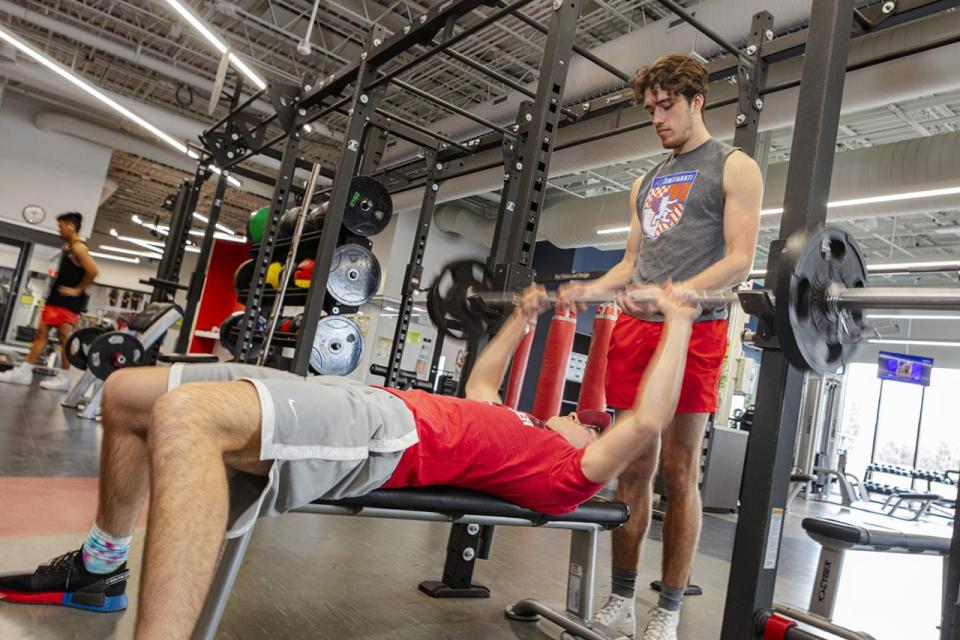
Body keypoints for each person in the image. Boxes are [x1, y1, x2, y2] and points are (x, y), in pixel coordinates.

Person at [0, 284, 699, 640]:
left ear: (592, 448)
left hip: (384, 435)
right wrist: (524, 317)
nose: (579, 414)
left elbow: (647, 418)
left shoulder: (566, 476)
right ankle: (100, 568)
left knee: (187, 418)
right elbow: (485, 381)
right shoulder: (523, 424)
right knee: (127, 392)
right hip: (360, 398)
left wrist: (677, 320)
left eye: (588, 423)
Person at [556, 54, 763, 639]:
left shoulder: (734, 166)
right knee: (632, 467)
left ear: (697, 100)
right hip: (636, 331)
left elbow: (739, 260)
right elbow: (631, 261)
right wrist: (588, 288)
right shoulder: (644, 182)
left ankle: (667, 608)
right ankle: (621, 598)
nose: (657, 118)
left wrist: (676, 295)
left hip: (693, 329)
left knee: (678, 468)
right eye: (650, 109)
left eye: (667, 105)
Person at [0, 212, 98, 391]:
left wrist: (77, 289)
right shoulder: (70, 247)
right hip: (57, 299)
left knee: (64, 338)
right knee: (41, 334)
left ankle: (65, 377)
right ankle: (24, 372)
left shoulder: (79, 248)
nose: (59, 230)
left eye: (61, 226)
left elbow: (92, 271)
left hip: (67, 301)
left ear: (71, 226)